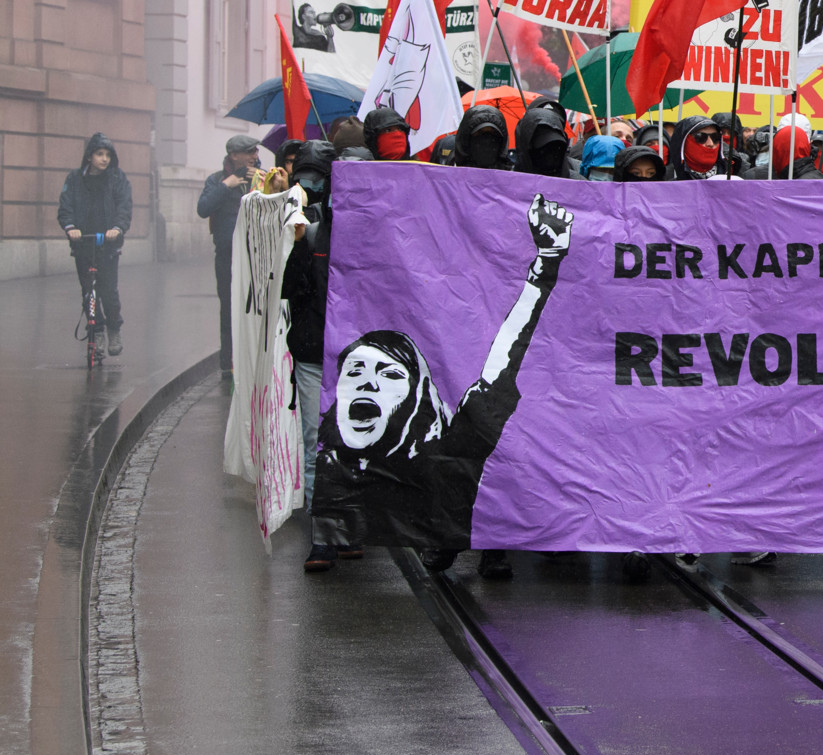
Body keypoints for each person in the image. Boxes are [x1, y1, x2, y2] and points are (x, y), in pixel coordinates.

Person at [319, 195, 575, 559]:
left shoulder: (444, 456)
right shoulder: (328, 467)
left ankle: (444, 546)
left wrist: (547, 263)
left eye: (389, 374)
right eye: (356, 370)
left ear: (415, 397)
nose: (368, 383)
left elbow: (501, 366)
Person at [280, 140, 351, 571]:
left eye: (317, 178)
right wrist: (297, 246)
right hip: (311, 351)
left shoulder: (358, 222)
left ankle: (346, 529)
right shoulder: (298, 226)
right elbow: (287, 290)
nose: (311, 186)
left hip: (350, 354)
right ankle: (323, 537)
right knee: (315, 441)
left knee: (347, 443)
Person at [58, 133, 133, 356]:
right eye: (100, 154)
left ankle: (114, 328)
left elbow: (124, 206)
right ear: (89, 156)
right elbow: (65, 207)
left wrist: (117, 228)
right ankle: (96, 331)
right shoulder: (75, 178)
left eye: (108, 155)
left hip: (107, 245)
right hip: (83, 244)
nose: (104, 159)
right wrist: (70, 227)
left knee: (108, 291)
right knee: (88, 293)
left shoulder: (117, 178)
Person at [197, 134, 265, 371]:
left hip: (257, 256)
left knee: (257, 310)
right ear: (234, 155)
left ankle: (254, 364)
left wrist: (265, 183)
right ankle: (228, 365)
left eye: (255, 151)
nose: (254, 156)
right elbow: (203, 209)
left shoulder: (263, 178)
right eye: (249, 152)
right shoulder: (217, 180)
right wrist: (227, 185)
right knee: (228, 309)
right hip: (227, 256)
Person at [434, 106, 514, 170]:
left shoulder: (511, 178)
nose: (486, 140)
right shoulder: (451, 170)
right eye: (480, 133)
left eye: (493, 133)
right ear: (466, 139)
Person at [513, 104, 573, 177]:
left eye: (557, 147)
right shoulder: (508, 180)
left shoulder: (577, 182)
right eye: (545, 148)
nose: (552, 154)